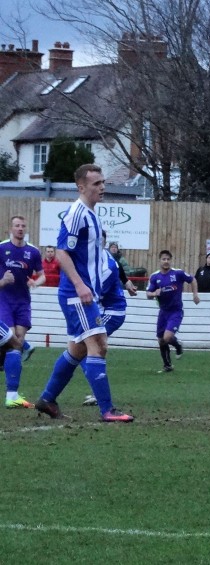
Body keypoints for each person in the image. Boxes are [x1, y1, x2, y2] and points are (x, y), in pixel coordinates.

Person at [36, 164, 134, 422]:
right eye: (96, 183)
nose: (102, 187)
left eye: (103, 182)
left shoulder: (90, 214)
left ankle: (47, 399)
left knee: (78, 350)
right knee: (99, 345)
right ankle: (107, 409)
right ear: (81, 187)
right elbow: (61, 252)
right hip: (76, 294)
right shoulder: (76, 214)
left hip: (83, 294)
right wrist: (80, 285)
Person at [82, 232, 138, 406]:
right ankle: (97, 389)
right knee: (94, 347)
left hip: (113, 312)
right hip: (107, 310)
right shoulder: (102, 256)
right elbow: (120, 269)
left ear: (103, 243)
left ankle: (97, 391)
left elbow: (94, 294)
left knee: (90, 345)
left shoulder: (107, 266)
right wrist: (127, 282)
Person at [0, 215, 46, 408]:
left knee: (15, 344)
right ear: (10, 228)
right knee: (13, 342)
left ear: (26, 229)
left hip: (23, 302)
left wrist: (36, 282)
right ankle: (12, 394)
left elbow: (42, 275)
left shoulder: (32, 252)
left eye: (23, 226)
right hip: (4, 301)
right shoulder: (2, 248)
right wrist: (3, 281)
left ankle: (12, 395)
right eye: (17, 226)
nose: (20, 228)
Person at [146, 249, 200, 373]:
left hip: (176, 311)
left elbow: (193, 280)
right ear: (159, 261)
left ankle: (178, 345)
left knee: (167, 337)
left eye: (168, 259)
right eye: (163, 259)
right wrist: (154, 293)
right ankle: (167, 365)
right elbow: (148, 294)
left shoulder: (178, 273)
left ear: (171, 260)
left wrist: (195, 295)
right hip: (163, 312)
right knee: (160, 340)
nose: (166, 261)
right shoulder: (155, 277)